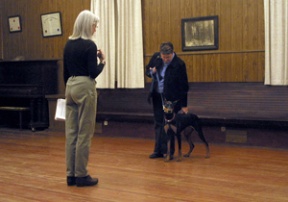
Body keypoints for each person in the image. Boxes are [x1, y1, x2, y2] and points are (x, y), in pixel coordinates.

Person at [63, 10, 106, 187]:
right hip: (85, 86)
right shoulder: (89, 45)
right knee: (85, 132)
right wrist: (102, 61)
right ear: (88, 25)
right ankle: (81, 175)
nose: (95, 28)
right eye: (94, 25)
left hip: (70, 86)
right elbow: (92, 72)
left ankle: (70, 175)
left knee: (71, 132)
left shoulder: (68, 44)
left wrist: (70, 87)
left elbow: (65, 72)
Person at [146, 42, 189, 159]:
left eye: (168, 57)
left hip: (170, 100)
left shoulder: (179, 64)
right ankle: (158, 150)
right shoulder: (156, 57)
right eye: (163, 57)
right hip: (157, 96)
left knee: (168, 125)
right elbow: (147, 71)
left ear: (173, 53)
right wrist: (151, 71)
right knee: (158, 123)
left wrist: (184, 105)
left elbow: (184, 86)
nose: (165, 59)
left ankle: (169, 151)